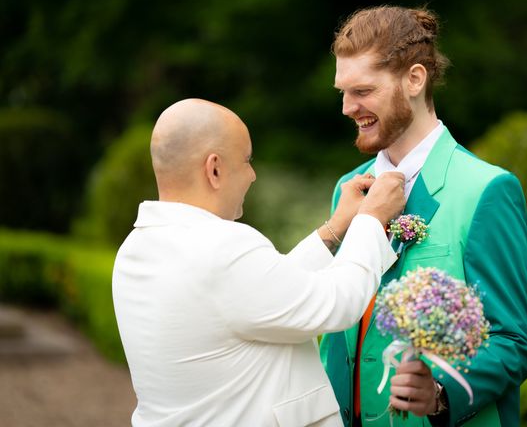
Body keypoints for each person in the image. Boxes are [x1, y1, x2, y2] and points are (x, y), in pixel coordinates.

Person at [112, 98, 408, 426]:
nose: (252, 175)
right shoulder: (223, 247)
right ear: (214, 169)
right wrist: (371, 217)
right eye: (247, 160)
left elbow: (261, 295)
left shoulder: (134, 250)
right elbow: (337, 303)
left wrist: (334, 229)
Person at [319, 6, 527, 427]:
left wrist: (439, 393)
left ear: (415, 79)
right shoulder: (348, 191)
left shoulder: (487, 190)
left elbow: (515, 342)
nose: (347, 107)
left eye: (362, 90)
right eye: (342, 92)